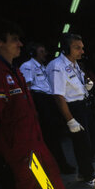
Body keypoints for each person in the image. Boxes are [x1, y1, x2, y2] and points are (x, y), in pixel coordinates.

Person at [0, 20, 79, 189]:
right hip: (15, 138)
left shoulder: (13, 69)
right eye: (14, 40)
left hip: (33, 132)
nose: (20, 44)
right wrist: (7, 133)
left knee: (49, 165)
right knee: (27, 176)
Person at [47, 33, 95, 185]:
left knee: (91, 142)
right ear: (67, 48)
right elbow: (58, 96)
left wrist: (86, 85)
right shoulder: (57, 66)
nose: (82, 51)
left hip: (83, 105)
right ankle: (88, 176)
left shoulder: (74, 64)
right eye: (77, 48)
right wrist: (70, 120)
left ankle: (84, 172)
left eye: (82, 48)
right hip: (73, 109)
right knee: (82, 145)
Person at [20, 43, 75, 174]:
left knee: (55, 135)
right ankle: (58, 167)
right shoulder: (27, 66)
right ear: (33, 52)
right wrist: (34, 110)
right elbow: (26, 89)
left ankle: (60, 165)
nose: (45, 53)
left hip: (49, 101)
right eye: (41, 51)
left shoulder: (44, 67)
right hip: (39, 101)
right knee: (49, 137)